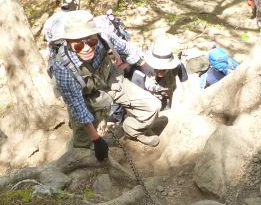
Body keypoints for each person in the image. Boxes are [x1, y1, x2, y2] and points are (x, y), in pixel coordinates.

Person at [49, 10, 163, 159]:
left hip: (113, 82)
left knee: (152, 106)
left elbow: (125, 47)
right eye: (78, 45)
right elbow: (77, 107)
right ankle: (77, 162)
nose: (87, 48)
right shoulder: (62, 68)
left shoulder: (104, 36)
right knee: (82, 145)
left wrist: (142, 62)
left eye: (91, 41)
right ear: (69, 42)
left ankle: (132, 130)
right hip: (88, 99)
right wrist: (96, 139)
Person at [130, 43, 188, 109]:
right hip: (149, 101)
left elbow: (185, 82)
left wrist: (184, 95)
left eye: (164, 68)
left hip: (166, 96)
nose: (161, 70)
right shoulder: (141, 67)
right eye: (158, 67)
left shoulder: (177, 65)